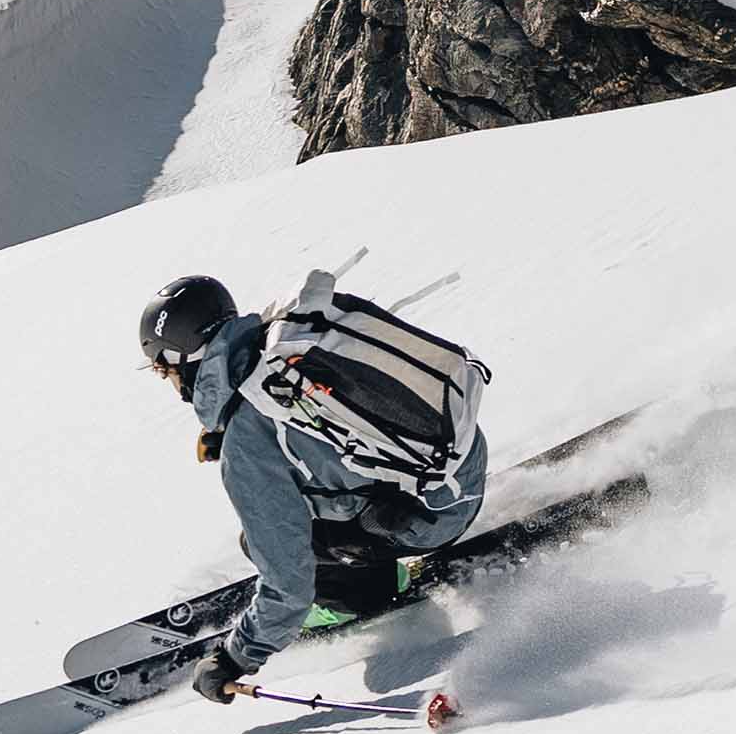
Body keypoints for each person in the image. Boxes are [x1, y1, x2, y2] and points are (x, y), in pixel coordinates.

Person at [138, 273, 490, 703]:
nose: (170, 384)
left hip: (432, 519)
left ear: (184, 359)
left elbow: (290, 586)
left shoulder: (246, 450)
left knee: (260, 542)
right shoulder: (283, 337)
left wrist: (233, 659)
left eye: (163, 369)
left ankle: (371, 590)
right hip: (463, 460)